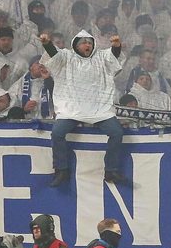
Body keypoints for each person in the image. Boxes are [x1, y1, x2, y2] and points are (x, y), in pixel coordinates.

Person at [41, 29, 127, 186]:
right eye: (83, 43)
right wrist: (47, 43)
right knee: (57, 133)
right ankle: (61, 170)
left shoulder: (101, 57)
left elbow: (113, 57)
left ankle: (111, 170)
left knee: (116, 132)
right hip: (71, 109)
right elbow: (54, 55)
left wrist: (116, 46)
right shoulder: (67, 57)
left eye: (89, 42)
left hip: (99, 109)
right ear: (75, 45)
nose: (87, 45)